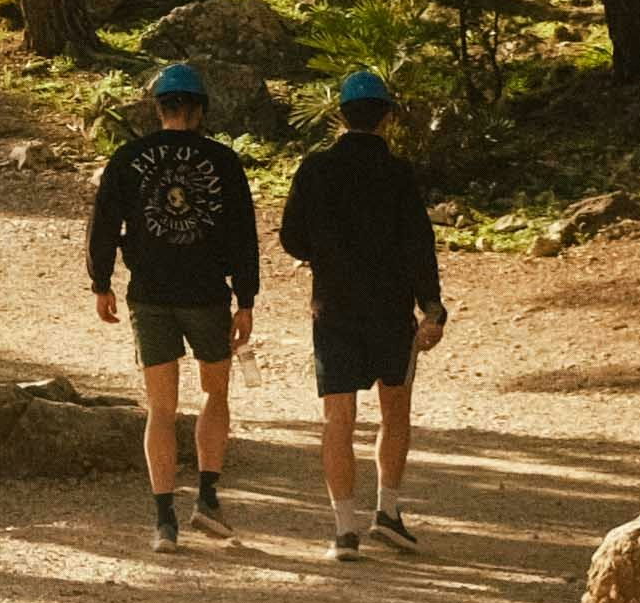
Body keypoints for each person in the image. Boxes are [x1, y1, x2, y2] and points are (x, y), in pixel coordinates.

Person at [82, 60, 257, 551]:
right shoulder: (224, 161)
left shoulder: (128, 158)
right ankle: (207, 498)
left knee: (161, 407)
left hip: (150, 294)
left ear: (159, 109)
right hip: (207, 295)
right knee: (215, 393)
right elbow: (243, 235)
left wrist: (101, 282)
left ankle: (164, 521)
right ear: (199, 110)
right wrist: (246, 299)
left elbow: (103, 224)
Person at [279, 69, 447, 561]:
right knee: (395, 409)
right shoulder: (398, 172)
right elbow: (419, 244)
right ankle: (388, 512)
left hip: (333, 306)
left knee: (338, 417)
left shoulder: (315, 169)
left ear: (341, 114)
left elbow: (291, 236)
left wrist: (323, 255)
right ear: (386, 117)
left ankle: (344, 530)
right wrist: (432, 307)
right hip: (391, 309)